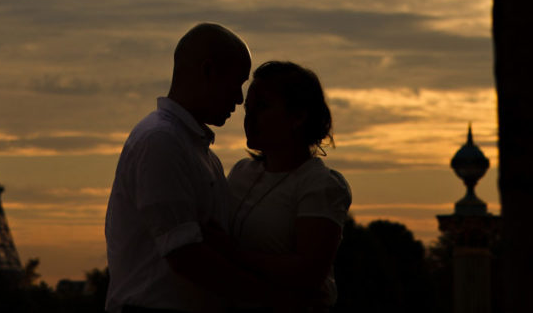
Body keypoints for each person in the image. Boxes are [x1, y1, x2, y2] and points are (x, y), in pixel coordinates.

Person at [105, 23, 266, 313]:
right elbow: (184, 254)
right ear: (208, 71)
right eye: (237, 82)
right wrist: (271, 298)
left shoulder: (189, 149)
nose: (240, 99)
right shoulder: (162, 142)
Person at [227, 61, 351, 313]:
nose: (249, 118)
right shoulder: (241, 173)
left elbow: (308, 273)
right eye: (247, 109)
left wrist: (233, 254)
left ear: (298, 116)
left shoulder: (321, 186)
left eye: (262, 107)